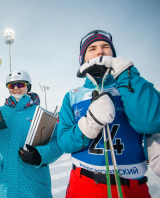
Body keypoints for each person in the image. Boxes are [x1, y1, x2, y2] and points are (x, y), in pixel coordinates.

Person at [57, 30, 160, 198]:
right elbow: (64, 143)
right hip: (83, 184)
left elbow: (150, 122)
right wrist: (89, 124)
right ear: (82, 59)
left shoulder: (133, 84)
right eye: (92, 48)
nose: (100, 51)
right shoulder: (72, 96)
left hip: (132, 186)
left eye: (106, 47)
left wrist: (128, 75)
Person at [0, 70, 63, 198]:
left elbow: (59, 141)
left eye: (20, 84)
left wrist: (40, 155)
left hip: (34, 186)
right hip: (2, 186)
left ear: (28, 87)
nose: (16, 88)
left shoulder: (41, 114)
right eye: (11, 85)